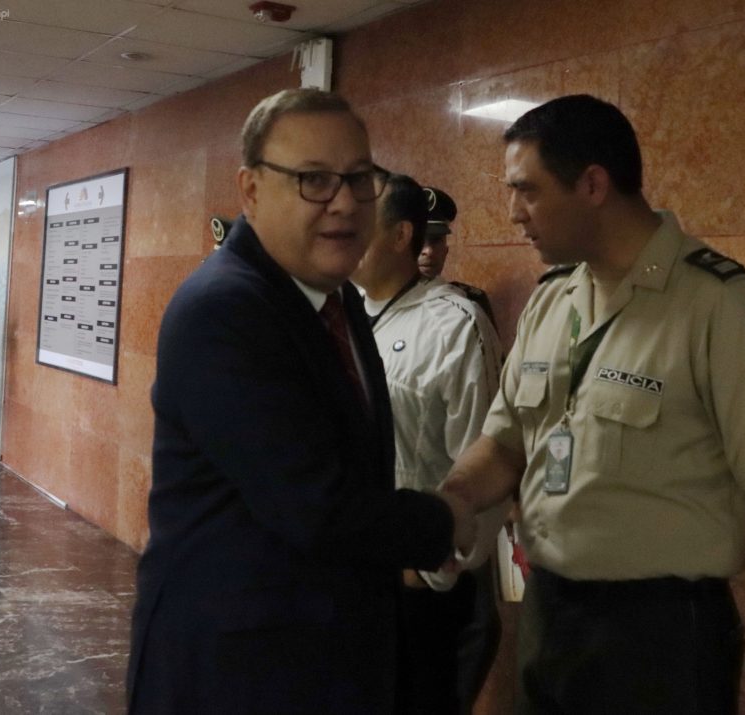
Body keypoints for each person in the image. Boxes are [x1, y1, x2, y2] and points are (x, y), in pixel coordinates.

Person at [440, 94, 745, 715]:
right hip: (550, 616)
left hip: (661, 639)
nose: (513, 213)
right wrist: (452, 500)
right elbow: (506, 443)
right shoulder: (552, 301)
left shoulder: (718, 306)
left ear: (593, 183)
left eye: (528, 190)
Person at [127, 89, 473, 715]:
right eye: (313, 179)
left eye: (359, 178)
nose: (344, 201)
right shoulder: (225, 309)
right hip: (238, 671)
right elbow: (316, 506)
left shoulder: (336, 300)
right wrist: (444, 519)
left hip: (328, 656)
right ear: (251, 190)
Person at [351, 173, 506, 714]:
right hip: (350, 575)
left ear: (399, 236)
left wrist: (430, 568)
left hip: (417, 587)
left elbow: (486, 455)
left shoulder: (456, 325)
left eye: (363, 222)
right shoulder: (339, 316)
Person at [417, 186, 496, 328]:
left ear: (446, 251)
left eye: (436, 240)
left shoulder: (471, 301)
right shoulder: (380, 302)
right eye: (420, 240)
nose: (428, 250)